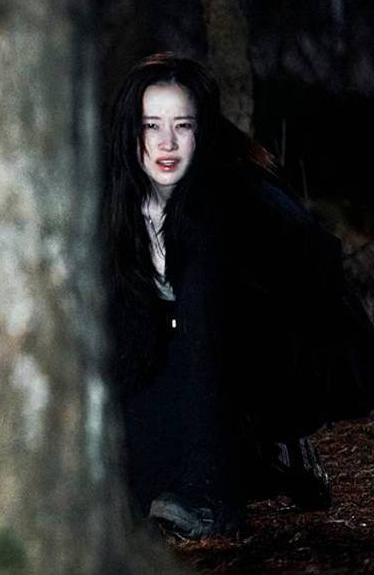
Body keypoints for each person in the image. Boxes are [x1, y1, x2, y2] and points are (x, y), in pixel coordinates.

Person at [104, 53, 374, 538]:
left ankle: (226, 482)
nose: (166, 144)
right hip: (195, 352)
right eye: (151, 126)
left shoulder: (233, 195)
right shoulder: (120, 203)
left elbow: (319, 283)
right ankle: (267, 458)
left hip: (280, 353)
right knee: (138, 490)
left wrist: (212, 486)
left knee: (201, 289)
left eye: (182, 126)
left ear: (203, 131)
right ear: (131, 132)